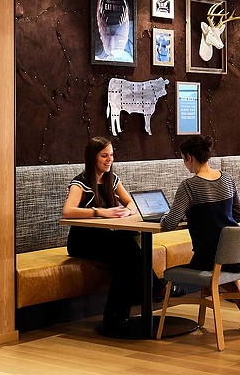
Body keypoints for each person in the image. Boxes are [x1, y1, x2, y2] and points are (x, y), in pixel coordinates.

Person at [160, 135, 240, 330]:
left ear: (189, 157)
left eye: (183, 159)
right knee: (223, 265)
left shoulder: (189, 186)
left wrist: (167, 215)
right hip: (238, 253)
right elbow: (239, 215)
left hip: (209, 255)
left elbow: (169, 223)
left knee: (215, 267)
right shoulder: (226, 178)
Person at [62, 136, 151, 335]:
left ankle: (116, 319)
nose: (109, 160)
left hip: (104, 239)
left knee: (124, 255)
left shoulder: (112, 180)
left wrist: (126, 211)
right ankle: (154, 287)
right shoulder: (80, 182)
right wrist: (100, 212)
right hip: (82, 241)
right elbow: (67, 211)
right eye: (104, 156)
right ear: (92, 157)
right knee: (124, 245)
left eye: (111, 155)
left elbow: (132, 203)